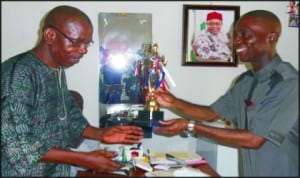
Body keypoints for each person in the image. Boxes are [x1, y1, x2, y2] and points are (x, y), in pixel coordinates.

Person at [1, 5, 144, 177]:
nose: (84, 50)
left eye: (87, 43)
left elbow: (69, 117)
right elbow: (18, 145)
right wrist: (84, 159)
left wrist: (102, 134)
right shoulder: (18, 73)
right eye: (76, 42)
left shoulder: (56, 70)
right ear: (50, 35)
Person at [153, 10, 298, 176]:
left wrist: (190, 126)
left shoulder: (289, 83)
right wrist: (173, 102)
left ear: (271, 37)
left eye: (245, 35)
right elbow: (211, 114)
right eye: (235, 35)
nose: (236, 41)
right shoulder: (246, 81)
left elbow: (254, 139)